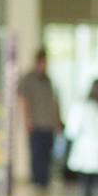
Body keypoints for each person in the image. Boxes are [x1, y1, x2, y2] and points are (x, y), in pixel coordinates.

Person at [17, 49, 63, 187]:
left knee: (47, 156)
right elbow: (24, 100)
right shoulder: (28, 79)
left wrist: (57, 120)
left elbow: (54, 102)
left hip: (48, 125)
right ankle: (36, 182)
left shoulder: (48, 80)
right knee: (36, 156)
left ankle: (44, 182)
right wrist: (27, 120)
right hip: (36, 125)